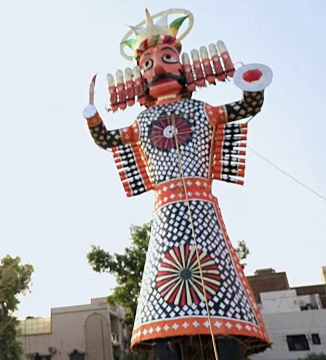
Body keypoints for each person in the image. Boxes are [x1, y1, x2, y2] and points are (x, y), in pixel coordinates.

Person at [81, 8, 271, 359]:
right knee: (168, 292)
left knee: (213, 291)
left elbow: (245, 107)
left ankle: (221, 339)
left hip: (201, 206)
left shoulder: (202, 111)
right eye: (148, 64)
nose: (158, 68)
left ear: (184, 67)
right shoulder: (143, 121)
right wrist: (92, 117)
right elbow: (109, 139)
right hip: (167, 211)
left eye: (167, 58)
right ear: (140, 76)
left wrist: (252, 83)